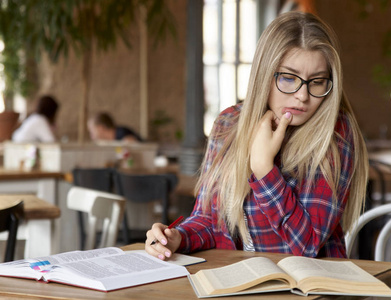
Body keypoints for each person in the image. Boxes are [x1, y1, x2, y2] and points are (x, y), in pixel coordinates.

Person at [145, 11, 368, 259]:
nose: (302, 96)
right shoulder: (228, 123)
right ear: (264, 75)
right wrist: (178, 237)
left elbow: (307, 246)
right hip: (237, 283)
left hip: (309, 290)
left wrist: (264, 170)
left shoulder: (336, 132)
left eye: (316, 81)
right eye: (288, 77)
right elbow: (209, 220)